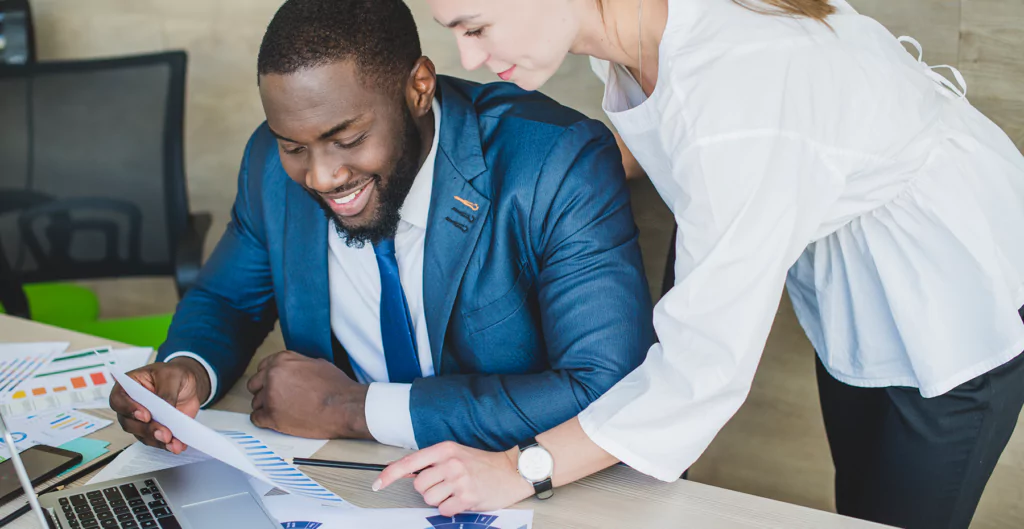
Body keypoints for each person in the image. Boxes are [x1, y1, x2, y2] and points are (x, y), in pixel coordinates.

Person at [377, 1, 1024, 527]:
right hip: (849, 281)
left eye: (476, 26)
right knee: (858, 505)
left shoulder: (734, 108)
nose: (467, 58)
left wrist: (520, 468)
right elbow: (668, 134)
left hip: (958, 289)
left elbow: (701, 371)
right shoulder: (640, 28)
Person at [108, 0, 654, 458]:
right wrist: (187, 371)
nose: (320, 175)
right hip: (345, 478)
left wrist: (352, 409)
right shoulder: (269, 164)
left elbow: (605, 386)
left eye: (346, 138)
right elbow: (228, 300)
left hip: (522, 479)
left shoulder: (556, 162)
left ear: (418, 88)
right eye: (294, 145)